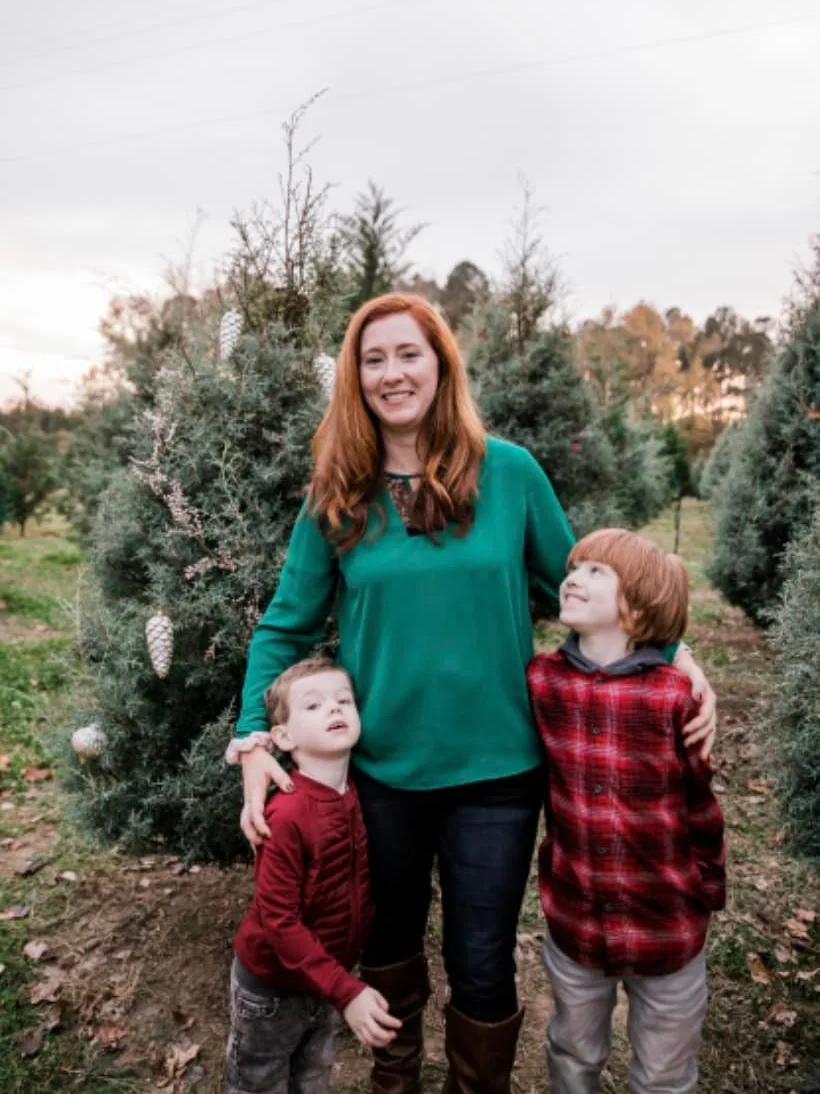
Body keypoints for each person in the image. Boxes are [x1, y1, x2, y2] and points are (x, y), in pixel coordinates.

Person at [226, 292, 717, 1094]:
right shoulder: (337, 492)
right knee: (388, 943)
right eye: (373, 359)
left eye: (408, 354)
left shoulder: (510, 471)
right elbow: (284, 627)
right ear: (355, 379)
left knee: (481, 958)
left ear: (441, 363)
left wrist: (678, 653)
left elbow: (588, 587)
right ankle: (396, 1080)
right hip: (381, 773)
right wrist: (253, 738)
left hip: (496, 773)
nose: (392, 373)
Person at [527, 529, 725, 1094]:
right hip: (577, 919)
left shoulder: (672, 697)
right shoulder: (542, 682)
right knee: (571, 1050)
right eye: (573, 567)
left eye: (595, 572)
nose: (572, 577)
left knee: (664, 1071)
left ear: (636, 607)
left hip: (668, 924)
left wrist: (707, 886)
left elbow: (699, 806)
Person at [225, 658, 400, 1094]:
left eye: (344, 700)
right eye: (314, 705)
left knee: (314, 1075)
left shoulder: (355, 793)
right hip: (271, 989)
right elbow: (278, 920)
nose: (335, 710)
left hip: (326, 978)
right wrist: (348, 991)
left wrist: (338, 984)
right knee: (259, 1082)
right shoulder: (286, 813)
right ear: (282, 737)